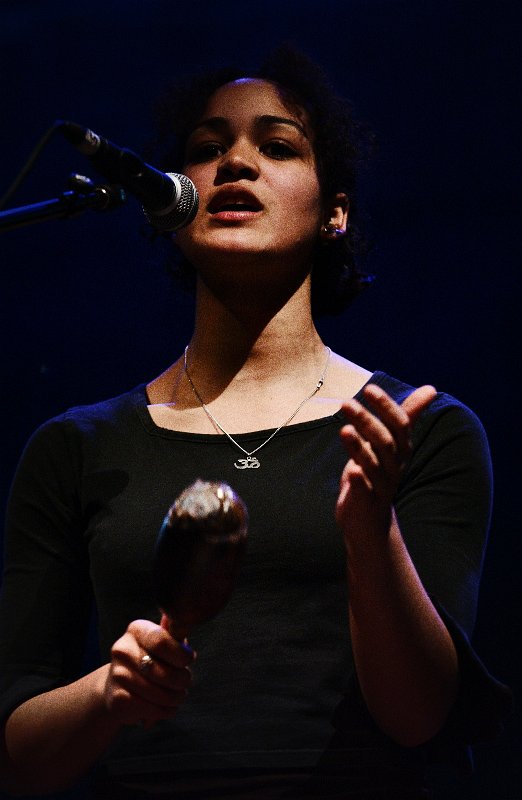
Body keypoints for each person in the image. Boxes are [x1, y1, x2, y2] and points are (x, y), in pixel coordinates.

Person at [0, 46, 511, 799]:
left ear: (335, 211)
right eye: (207, 149)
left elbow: (418, 717)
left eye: (277, 146)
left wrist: (371, 531)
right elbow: (16, 758)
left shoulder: (420, 433)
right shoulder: (76, 448)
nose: (235, 163)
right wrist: (108, 691)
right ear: (168, 205)